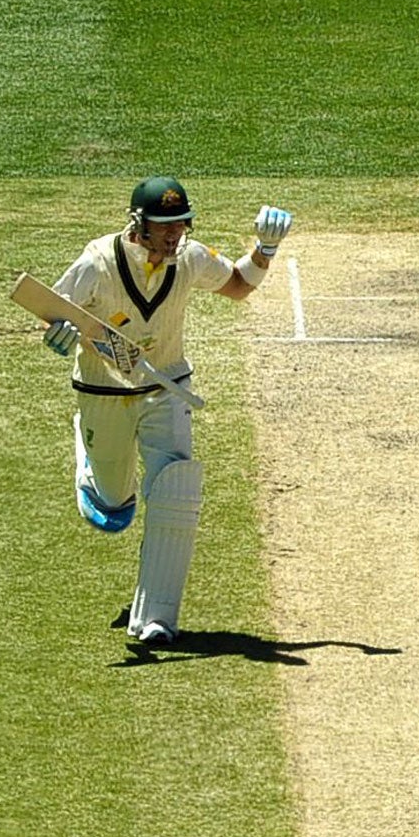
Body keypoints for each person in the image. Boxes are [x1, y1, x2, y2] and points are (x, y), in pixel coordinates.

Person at [40, 178, 292, 645]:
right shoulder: (97, 260)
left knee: (176, 488)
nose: (175, 234)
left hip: (167, 386)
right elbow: (52, 307)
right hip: (103, 391)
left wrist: (265, 250)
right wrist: (59, 333)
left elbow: (237, 286)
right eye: (165, 226)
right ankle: (91, 469)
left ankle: (156, 617)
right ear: (139, 224)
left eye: (181, 224)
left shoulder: (190, 258)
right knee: (113, 508)